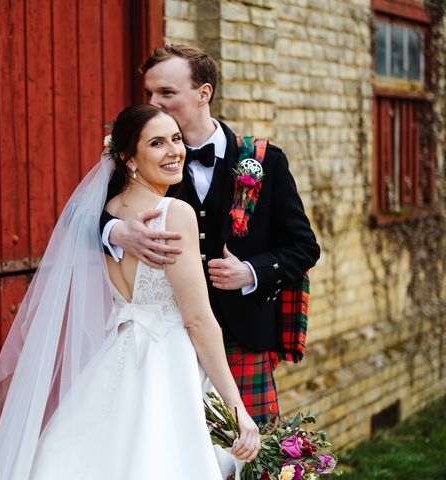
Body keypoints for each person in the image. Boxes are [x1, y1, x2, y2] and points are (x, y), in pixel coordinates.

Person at [0, 104, 260, 479]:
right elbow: (197, 318)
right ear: (128, 158)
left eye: (176, 139)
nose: (174, 150)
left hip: (115, 355)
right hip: (166, 359)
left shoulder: (105, 212)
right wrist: (236, 405)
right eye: (157, 143)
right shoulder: (174, 213)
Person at [101, 45, 320, 423]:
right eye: (149, 94)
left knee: (248, 462)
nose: (154, 102)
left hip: (241, 339)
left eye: (166, 93)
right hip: (165, 344)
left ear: (204, 93)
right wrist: (117, 232)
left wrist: (251, 271)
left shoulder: (266, 161)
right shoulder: (145, 159)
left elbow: (304, 247)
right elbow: (86, 220)